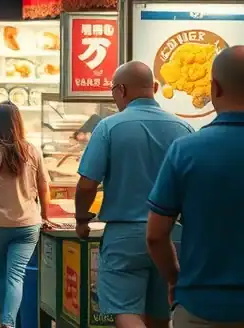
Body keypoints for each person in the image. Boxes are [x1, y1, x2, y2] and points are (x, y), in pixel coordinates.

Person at [76, 61, 193, 328]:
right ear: (154, 87)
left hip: (125, 236)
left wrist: (82, 219)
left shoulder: (109, 127)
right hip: (172, 234)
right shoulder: (184, 130)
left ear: (120, 90)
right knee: (161, 313)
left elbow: (86, 184)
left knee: (125, 309)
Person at [147, 46, 244, 328]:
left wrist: (175, 279)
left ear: (214, 87)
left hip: (199, 306)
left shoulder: (186, 151)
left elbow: (155, 235)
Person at [0, 102, 53, 328]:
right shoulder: (32, 150)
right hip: (28, 224)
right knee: (16, 276)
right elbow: (44, 186)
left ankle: (7, 321)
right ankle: (7, 321)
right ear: (19, 122)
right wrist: (45, 215)